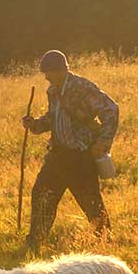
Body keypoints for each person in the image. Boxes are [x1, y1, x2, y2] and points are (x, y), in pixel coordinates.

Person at [22, 50, 118, 250]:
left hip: (81, 158)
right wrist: (35, 125)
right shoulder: (52, 91)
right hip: (58, 156)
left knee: (91, 203)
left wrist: (103, 141)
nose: (46, 77)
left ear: (61, 70)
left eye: (48, 72)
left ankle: (106, 243)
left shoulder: (83, 88)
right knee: (41, 195)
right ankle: (36, 243)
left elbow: (111, 110)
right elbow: (53, 117)